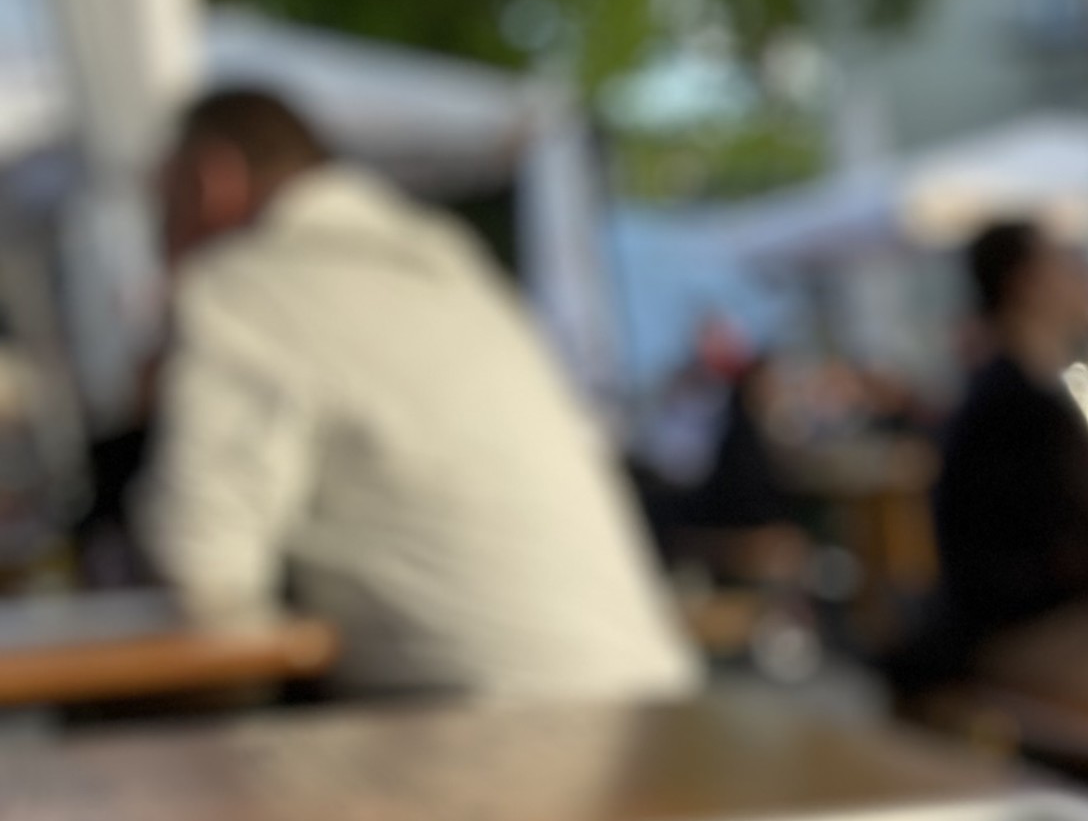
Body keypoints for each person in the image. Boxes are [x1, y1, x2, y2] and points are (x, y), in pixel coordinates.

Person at [135, 89, 697, 702]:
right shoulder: (449, 265)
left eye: (160, 205)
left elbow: (200, 569)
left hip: (492, 732)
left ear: (213, 181)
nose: (157, 235)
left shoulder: (244, 285)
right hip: (653, 703)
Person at [927, 219, 1088, 656]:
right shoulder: (1012, 406)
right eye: (1065, 261)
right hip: (1024, 635)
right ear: (1026, 283)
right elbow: (1063, 554)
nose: (1083, 273)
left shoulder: (1021, 390)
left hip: (1034, 622)